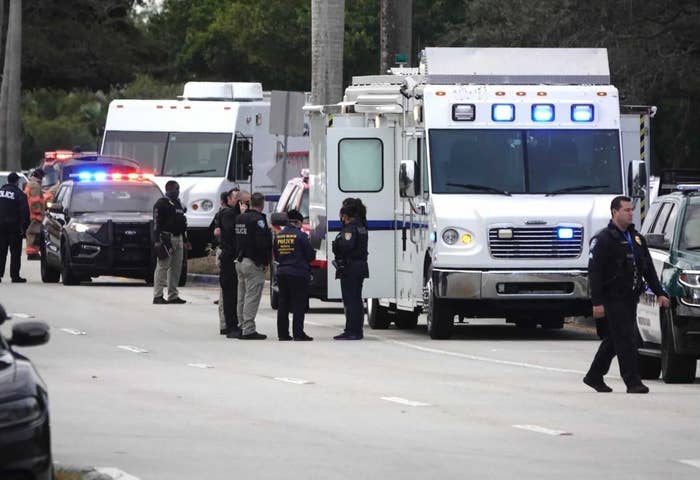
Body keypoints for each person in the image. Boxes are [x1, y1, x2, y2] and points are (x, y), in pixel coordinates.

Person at [584, 195, 670, 394]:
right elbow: (594, 273)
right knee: (626, 338)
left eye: (632, 209)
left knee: (615, 338)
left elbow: (647, 268)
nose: (631, 213)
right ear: (615, 212)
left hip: (630, 297)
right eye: (627, 210)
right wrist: (597, 302)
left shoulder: (637, 239)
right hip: (612, 297)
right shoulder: (603, 239)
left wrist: (660, 292)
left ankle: (594, 375)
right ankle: (633, 381)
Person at [273, 209, 316, 341]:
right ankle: (298, 334)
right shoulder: (301, 236)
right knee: (298, 303)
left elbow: (276, 255)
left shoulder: (278, 235)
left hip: (282, 272)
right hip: (298, 273)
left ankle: (283, 334)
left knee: (283, 303)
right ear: (298, 222)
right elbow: (310, 255)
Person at [234, 191, 271, 340]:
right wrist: (264, 261)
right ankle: (248, 329)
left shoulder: (240, 218)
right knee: (252, 296)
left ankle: (242, 325)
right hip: (253, 262)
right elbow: (262, 243)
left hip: (240, 260)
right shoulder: (258, 220)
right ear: (262, 204)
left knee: (242, 295)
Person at [332, 198, 369, 340]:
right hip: (358, 266)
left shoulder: (350, 229)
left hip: (351, 266)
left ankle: (352, 330)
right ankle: (356, 330)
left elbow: (347, 246)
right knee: (356, 299)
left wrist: (337, 244)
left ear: (346, 215)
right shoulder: (361, 226)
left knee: (351, 300)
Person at [152, 180, 191, 304]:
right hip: (166, 238)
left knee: (176, 268)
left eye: (178, 189)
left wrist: (185, 240)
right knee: (163, 267)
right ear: (169, 190)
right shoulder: (161, 204)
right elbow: (156, 224)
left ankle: (173, 295)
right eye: (176, 189)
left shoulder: (178, 203)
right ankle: (157, 295)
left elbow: (182, 223)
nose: (178, 192)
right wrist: (157, 240)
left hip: (179, 238)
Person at [218, 188, 245, 338]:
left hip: (235, 258)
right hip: (228, 259)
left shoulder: (237, 215)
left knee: (235, 294)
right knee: (230, 294)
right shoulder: (229, 214)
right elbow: (230, 233)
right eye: (237, 198)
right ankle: (230, 326)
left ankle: (233, 324)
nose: (240, 201)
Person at [0, 172, 30, 283]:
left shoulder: (0, 192)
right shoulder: (20, 194)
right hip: (14, 228)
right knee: (15, 253)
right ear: (17, 182)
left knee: (1, 251)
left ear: (8, 181)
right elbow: (24, 212)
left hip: (1, 227)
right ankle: (15, 276)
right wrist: (24, 228)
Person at [24, 168, 45, 260]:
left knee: (35, 234)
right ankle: (32, 254)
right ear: (39, 176)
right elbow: (34, 201)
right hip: (35, 214)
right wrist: (38, 211)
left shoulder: (32, 183)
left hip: (32, 214)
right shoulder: (35, 185)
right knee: (33, 233)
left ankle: (33, 253)